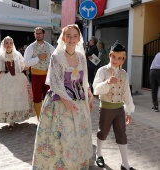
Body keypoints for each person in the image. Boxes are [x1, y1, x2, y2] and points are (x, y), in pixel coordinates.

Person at [32, 24, 94, 169]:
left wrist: (90, 95)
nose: (71, 39)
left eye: (75, 36)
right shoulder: (57, 56)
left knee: (77, 134)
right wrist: (66, 101)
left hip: (78, 101)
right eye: (68, 36)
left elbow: (84, 80)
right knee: (58, 136)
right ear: (63, 38)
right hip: (59, 101)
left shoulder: (80, 56)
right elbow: (55, 82)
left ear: (79, 38)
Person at [93, 40, 135, 170]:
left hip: (119, 109)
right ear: (110, 55)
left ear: (123, 60)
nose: (115, 60)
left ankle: (125, 164)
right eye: (113, 57)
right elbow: (95, 89)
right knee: (103, 132)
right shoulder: (102, 71)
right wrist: (108, 83)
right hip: (106, 108)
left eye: (119, 58)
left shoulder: (124, 74)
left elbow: (126, 93)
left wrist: (128, 111)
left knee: (122, 134)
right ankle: (98, 154)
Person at [0, 36, 34, 130]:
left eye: (10, 43)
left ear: (12, 44)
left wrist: (30, 63)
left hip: (18, 80)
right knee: (7, 100)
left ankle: (14, 118)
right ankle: (10, 121)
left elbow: (24, 66)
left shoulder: (17, 54)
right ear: (4, 45)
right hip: (5, 81)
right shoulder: (0, 56)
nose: (9, 45)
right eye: (7, 43)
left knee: (16, 99)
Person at [24, 27, 55, 120]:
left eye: (40, 33)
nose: (38, 35)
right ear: (34, 35)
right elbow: (26, 63)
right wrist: (38, 58)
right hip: (36, 75)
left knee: (48, 97)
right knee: (37, 97)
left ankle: (47, 119)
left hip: (48, 75)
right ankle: (39, 119)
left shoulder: (50, 47)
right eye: (36, 33)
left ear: (43, 34)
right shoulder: (30, 48)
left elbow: (56, 59)